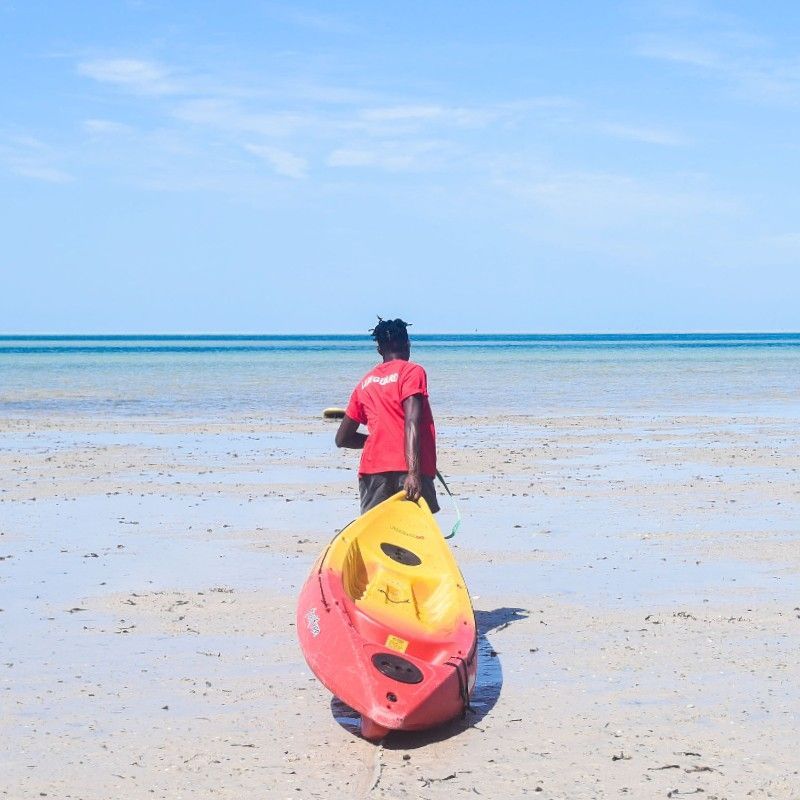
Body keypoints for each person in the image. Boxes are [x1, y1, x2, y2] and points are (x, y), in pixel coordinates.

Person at [335, 318, 439, 514]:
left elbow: (342, 439)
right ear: (408, 344)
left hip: (372, 473)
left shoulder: (365, 383)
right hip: (407, 470)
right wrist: (413, 473)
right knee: (414, 537)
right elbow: (412, 422)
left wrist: (378, 440)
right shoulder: (412, 372)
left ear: (379, 350)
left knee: (377, 537)